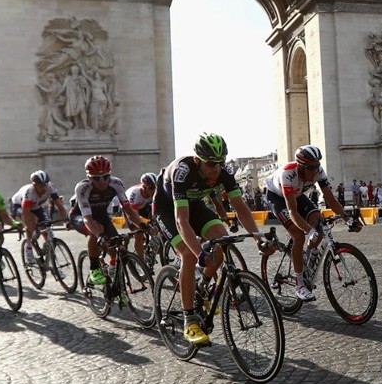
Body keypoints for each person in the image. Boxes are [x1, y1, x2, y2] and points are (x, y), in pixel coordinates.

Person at [152, 133, 275, 346]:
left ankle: (201, 286)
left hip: (194, 205)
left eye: (220, 162)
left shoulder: (223, 172)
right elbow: (181, 221)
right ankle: (189, 320)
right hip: (168, 209)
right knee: (189, 255)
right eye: (210, 164)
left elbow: (241, 208)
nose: (216, 168)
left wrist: (258, 240)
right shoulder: (183, 172)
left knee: (222, 241)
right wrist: (199, 253)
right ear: (197, 160)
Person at [263, 145, 361, 301]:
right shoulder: (287, 174)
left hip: (297, 194)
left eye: (317, 166)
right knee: (298, 235)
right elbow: (292, 212)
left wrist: (348, 219)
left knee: (319, 222)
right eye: (310, 168)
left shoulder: (318, 171)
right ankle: (300, 285)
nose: (315, 171)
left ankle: (307, 256)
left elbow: (330, 200)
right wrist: (309, 231)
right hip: (277, 197)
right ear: (300, 166)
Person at [69, 155, 143, 288]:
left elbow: (128, 209)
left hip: (101, 214)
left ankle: (113, 274)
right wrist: (100, 235)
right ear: (89, 177)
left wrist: (142, 224)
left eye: (105, 176)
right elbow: (88, 219)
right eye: (97, 178)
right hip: (80, 216)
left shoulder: (116, 183)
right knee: (96, 232)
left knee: (115, 245)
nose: (102, 181)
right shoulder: (83, 188)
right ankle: (94, 269)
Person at [14, 170, 70, 264]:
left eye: (45, 185)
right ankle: (29, 249)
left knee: (46, 227)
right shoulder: (29, 193)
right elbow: (26, 214)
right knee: (32, 225)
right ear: (34, 185)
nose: (43, 188)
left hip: (36, 206)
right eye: (40, 185)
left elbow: (60, 206)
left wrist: (66, 220)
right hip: (19, 206)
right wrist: (32, 227)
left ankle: (50, 259)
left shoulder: (50, 188)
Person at [124, 172, 158, 264]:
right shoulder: (134, 194)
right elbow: (133, 216)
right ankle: (141, 262)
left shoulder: (155, 193)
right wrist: (144, 225)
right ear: (144, 187)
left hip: (143, 206)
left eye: (156, 187)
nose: (154, 190)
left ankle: (148, 245)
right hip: (130, 209)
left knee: (156, 225)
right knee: (139, 234)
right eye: (151, 188)